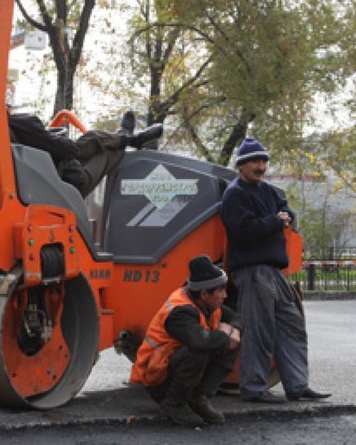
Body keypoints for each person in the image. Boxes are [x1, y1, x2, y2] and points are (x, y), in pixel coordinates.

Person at [220, 138, 331, 404]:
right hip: (252, 270)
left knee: (291, 326)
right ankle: (254, 388)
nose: (261, 166)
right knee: (259, 330)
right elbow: (241, 231)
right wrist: (274, 221)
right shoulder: (235, 194)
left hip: (273, 271)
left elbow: (286, 211)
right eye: (255, 162)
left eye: (263, 161)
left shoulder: (268, 192)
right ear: (241, 166)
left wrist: (286, 216)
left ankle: (297, 385)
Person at [129, 254, 243, 427]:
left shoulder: (208, 304)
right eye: (221, 290)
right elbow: (201, 341)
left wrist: (234, 330)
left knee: (227, 344)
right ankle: (174, 404)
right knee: (201, 350)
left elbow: (237, 318)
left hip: (170, 368)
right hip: (157, 379)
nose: (225, 295)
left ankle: (197, 398)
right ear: (205, 294)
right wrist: (226, 336)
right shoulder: (180, 311)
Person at [0, 101, 163, 197]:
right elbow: (68, 151)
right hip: (66, 183)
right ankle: (129, 138)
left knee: (95, 139)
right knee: (104, 148)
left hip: (43, 179)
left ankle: (126, 136)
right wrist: (57, 138)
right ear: (4, 109)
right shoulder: (23, 124)